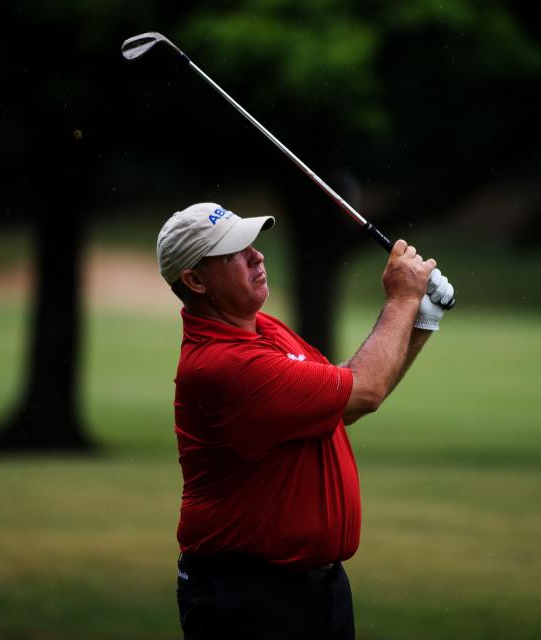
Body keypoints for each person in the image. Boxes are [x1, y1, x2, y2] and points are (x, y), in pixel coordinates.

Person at [156, 202, 454, 640]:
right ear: (196, 281)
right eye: (234, 252)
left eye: (251, 244)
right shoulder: (221, 365)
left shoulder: (264, 331)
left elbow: (343, 403)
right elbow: (365, 389)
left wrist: (421, 319)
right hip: (250, 598)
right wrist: (403, 298)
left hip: (316, 591)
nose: (256, 256)